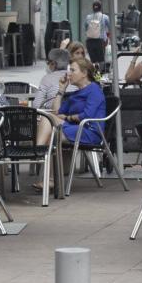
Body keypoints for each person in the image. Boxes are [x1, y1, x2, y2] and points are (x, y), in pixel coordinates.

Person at [33, 57, 106, 191]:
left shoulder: (94, 90)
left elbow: (87, 115)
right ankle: (50, 179)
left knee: (47, 119)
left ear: (84, 73)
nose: (68, 74)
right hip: (74, 129)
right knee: (49, 129)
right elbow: (57, 111)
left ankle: (37, 153)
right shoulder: (75, 94)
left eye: (72, 70)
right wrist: (61, 90)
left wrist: (68, 117)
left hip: (89, 131)